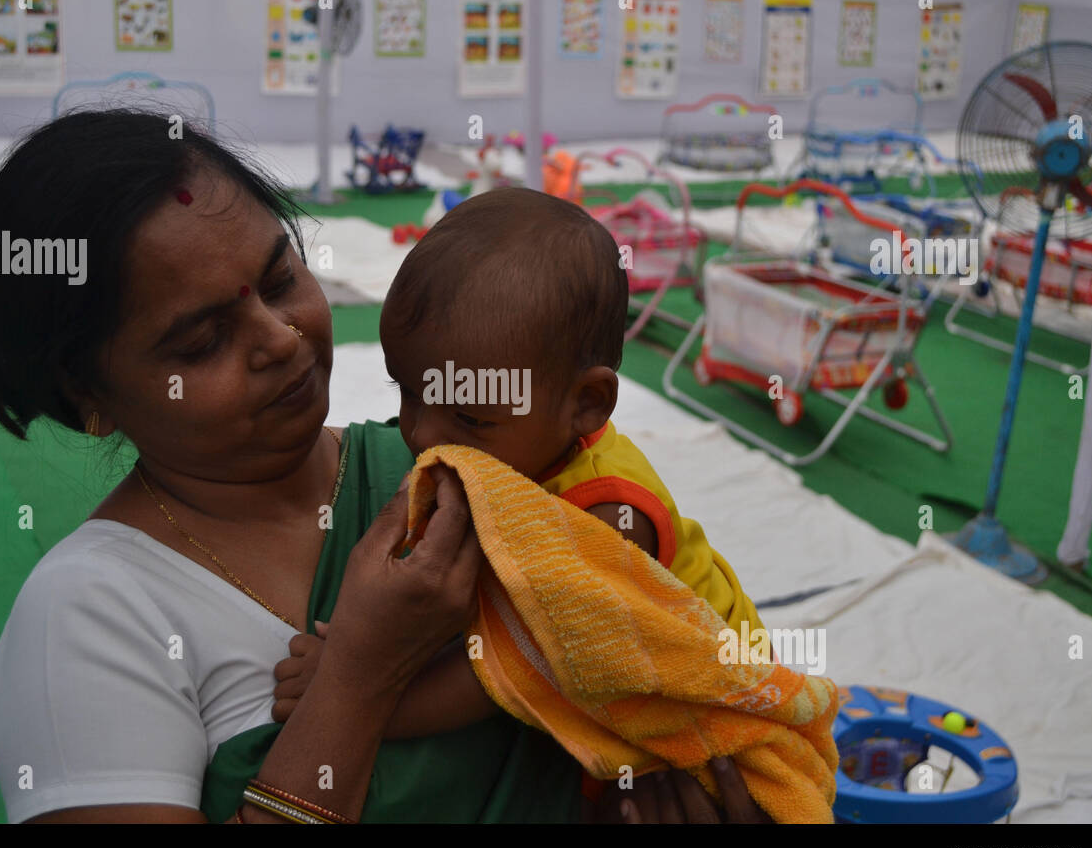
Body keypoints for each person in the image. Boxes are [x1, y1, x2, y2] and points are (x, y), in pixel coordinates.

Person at [0, 110, 768, 823]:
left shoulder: (470, 472)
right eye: (202, 342)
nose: (281, 338)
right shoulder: (88, 617)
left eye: (282, 279)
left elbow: (646, 671)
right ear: (91, 393)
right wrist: (362, 675)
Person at [271, 187, 770, 755]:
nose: (421, 434)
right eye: (408, 391)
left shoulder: (607, 515)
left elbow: (519, 670)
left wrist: (363, 692)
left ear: (585, 404)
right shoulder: (517, 446)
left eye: (468, 416)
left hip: (724, 722)